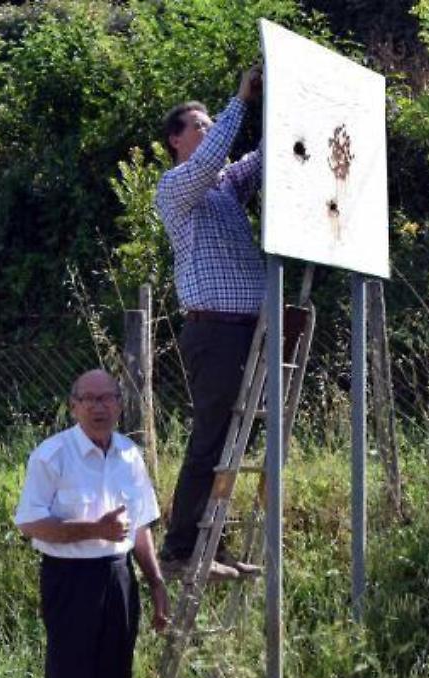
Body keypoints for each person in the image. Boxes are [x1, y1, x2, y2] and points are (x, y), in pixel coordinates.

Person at [14, 369, 169, 678]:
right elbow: (30, 524)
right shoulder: (51, 456)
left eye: (107, 398)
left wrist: (156, 584)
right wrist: (92, 530)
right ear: (74, 407)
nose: (99, 407)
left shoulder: (130, 455)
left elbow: (140, 527)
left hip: (119, 577)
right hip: (69, 580)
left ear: (119, 404)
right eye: (89, 399)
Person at [154, 66, 266, 581]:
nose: (208, 128)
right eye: (198, 125)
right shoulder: (177, 186)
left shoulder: (222, 189)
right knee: (211, 439)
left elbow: (261, 160)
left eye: (210, 123)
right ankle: (178, 552)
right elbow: (214, 158)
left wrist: (280, 106)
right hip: (214, 330)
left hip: (247, 330)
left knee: (232, 444)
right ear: (176, 141)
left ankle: (211, 549)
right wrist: (238, 102)